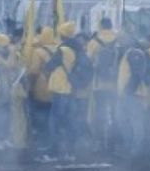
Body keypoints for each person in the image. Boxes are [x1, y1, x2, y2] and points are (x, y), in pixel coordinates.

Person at [46, 22, 82, 160]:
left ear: (62, 35)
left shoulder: (63, 50)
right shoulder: (77, 49)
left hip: (60, 89)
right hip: (70, 89)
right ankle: (70, 152)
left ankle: (54, 151)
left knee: (55, 121)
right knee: (69, 121)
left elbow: (50, 66)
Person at [87, 18, 120, 151]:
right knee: (115, 113)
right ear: (111, 25)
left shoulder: (94, 42)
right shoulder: (119, 39)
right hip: (116, 83)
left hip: (98, 83)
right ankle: (114, 141)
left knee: (100, 113)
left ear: (100, 26)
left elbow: (89, 61)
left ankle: (100, 142)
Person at [27, 27, 58, 153]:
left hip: (42, 88)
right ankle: (53, 141)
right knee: (53, 116)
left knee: (41, 117)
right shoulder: (59, 49)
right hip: (57, 87)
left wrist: (30, 87)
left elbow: (34, 71)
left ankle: (42, 141)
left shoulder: (39, 52)